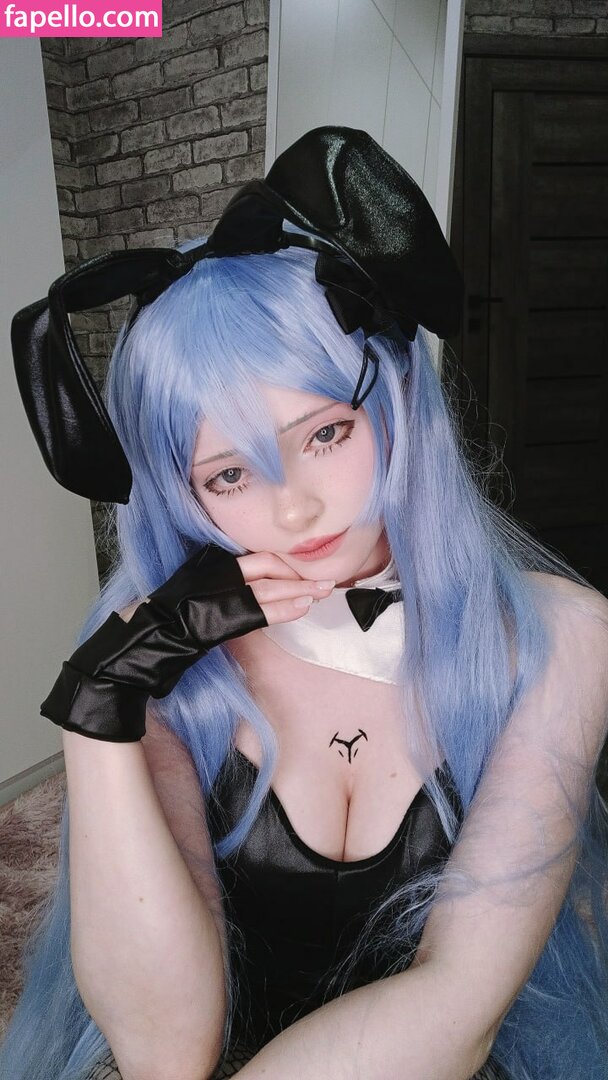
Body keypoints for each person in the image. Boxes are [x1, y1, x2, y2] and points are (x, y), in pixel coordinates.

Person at [2, 127, 608, 1080]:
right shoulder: (147, 652)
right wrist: (99, 707)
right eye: (230, 473)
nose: (293, 510)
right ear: (185, 497)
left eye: (325, 434)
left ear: (395, 400)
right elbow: (165, 1052)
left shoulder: (567, 634)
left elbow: (459, 1003)